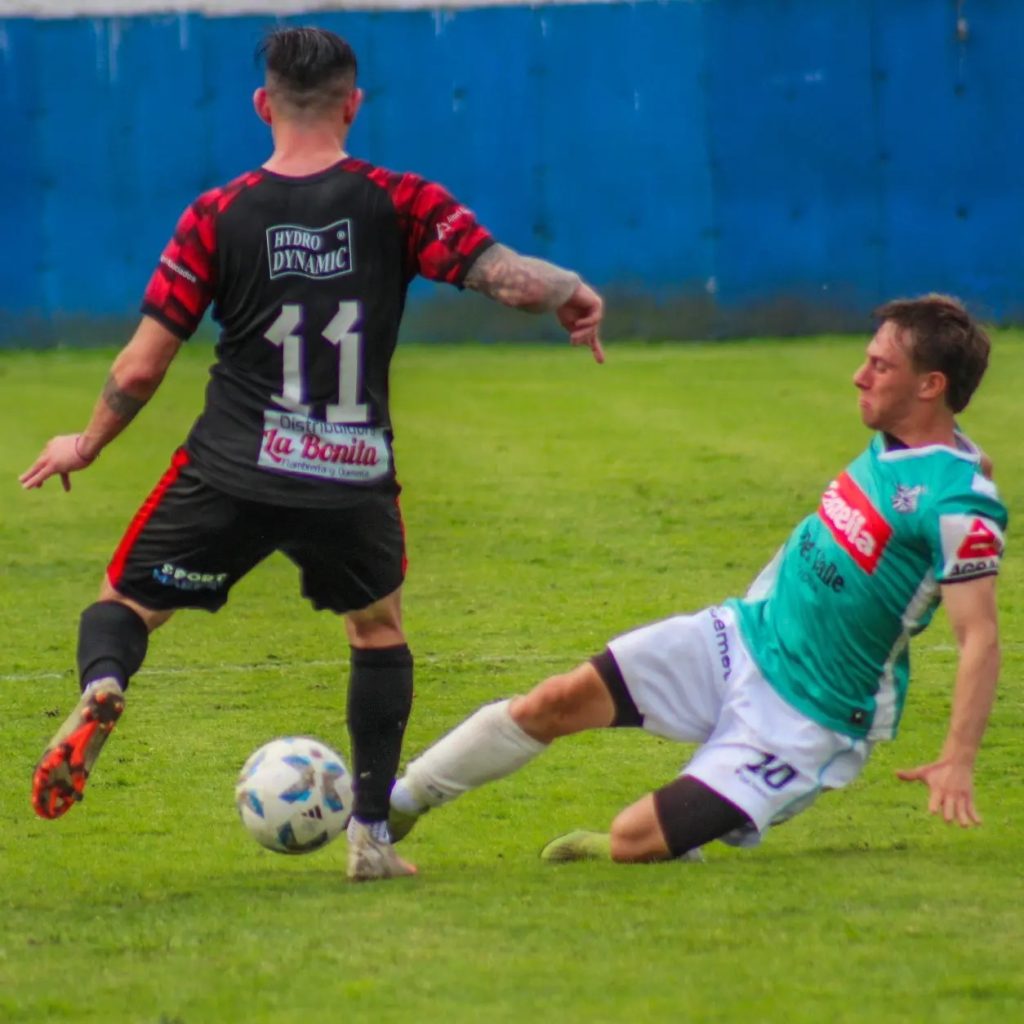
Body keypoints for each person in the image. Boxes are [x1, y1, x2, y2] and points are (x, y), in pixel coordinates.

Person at [19, 26, 604, 883]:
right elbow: (512, 280)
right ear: (352, 104)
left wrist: (86, 442)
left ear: (263, 105)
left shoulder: (216, 215)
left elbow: (141, 367)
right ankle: (370, 838)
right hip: (349, 474)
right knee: (376, 630)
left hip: (233, 467)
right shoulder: (400, 200)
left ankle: (104, 685)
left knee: (128, 606)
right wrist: (572, 291)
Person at [387, 295, 1006, 864]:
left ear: (931, 385)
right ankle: (396, 805)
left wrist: (958, 759)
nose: (858, 375)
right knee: (553, 700)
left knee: (633, 840)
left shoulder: (958, 505)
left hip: (808, 717)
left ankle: (666, 840)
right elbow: (956, 457)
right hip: (743, 635)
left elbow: (979, 636)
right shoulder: (905, 444)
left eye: (880, 365)